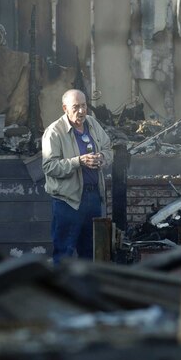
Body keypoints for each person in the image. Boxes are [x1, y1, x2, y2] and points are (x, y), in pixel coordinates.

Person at [42, 89, 113, 264]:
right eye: (76, 107)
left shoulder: (92, 123)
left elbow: (108, 149)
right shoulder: (54, 132)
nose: (81, 111)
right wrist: (78, 162)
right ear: (65, 108)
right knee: (64, 253)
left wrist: (102, 158)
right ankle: (62, 290)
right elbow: (49, 167)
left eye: (84, 106)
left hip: (93, 197)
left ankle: (86, 290)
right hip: (68, 201)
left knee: (91, 252)